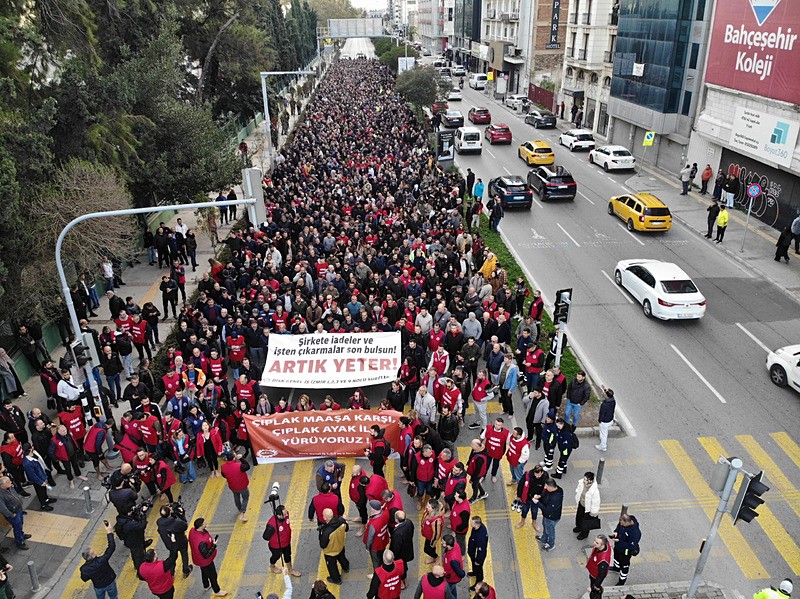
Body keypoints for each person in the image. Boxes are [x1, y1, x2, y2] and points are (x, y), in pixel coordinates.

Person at [188, 518, 228, 596]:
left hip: (198, 558)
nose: (206, 523)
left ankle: (206, 585)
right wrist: (214, 545)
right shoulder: (202, 542)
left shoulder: (192, 531)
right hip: (205, 561)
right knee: (213, 575)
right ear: (200, 526)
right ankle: (217, 591)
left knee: (204, 571)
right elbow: (206, 555)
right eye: (204, 523)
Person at [80, 521, 119, 599]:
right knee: (114, 596)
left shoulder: (84, 569)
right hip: (110, 582)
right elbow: (111, 547)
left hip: (98, 586)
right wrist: (109, 531)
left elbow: (84, 579)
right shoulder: (102, 560)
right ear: (93, 555)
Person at [262, 505, 302, 577]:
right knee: (276, 556)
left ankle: (290, 570)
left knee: (288, 555)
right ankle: (272, 565)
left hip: (286, 543)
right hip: (276, 546)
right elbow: (265, 537)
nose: (287, 514)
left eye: (286, 513)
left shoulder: (286, 516)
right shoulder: (272, 525)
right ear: (279, 516)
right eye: (284, 514)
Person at [156, 505, 192, 579]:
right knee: (184, 554)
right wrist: (182, 515)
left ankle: (171, 573)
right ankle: (185, 570)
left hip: (170, 544)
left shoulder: (159, 522)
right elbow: (185, 526)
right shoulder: (176, 522)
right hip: (181, 541)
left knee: (173, 557)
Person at [318, 507, 349, 585]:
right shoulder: (341, 521)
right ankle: (346, 567)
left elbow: (322, 545)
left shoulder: (326, 532)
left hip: (331, 552)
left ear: (325, 518)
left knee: (332, 566)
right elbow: (347, 528)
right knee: (342, 557)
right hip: (340, 545)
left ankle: (336, 579)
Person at [21, 443, 55, 511]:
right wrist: (41, 482)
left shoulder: (33, 454)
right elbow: (32, 475)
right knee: (40, 492)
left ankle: (46, 499)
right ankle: (43, 504)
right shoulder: (27, 463)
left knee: (44, 490)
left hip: (42, 476)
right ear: (30, 449)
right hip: (38, 480)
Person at [610, 513, 641, 586]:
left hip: (626, 551)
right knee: (616, 558)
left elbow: (631, 545)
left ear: (628, 523)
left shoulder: (635, 533)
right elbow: (618, 528)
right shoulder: (622, 523)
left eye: (622, 524)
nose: (621, 525)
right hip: (618, 547)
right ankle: (616, 568)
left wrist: (619, 542)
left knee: (624, 566)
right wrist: (616, 533)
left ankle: (621, 581)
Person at [221, 448, 251, 522]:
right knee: (245, 497)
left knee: (236, 497)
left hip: (232, 486)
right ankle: (242, 512)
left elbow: (224, 475)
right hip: (242, 486)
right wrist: (241, 458)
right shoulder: (239, 466)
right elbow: (247, 466)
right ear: (234, 458)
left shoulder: (223, 467)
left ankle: (239, 508)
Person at [0, 477, 30, 549]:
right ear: (3, 485)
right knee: (17, 527)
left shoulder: (8, 488)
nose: (11, 482)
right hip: (13, 514)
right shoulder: (1, 495)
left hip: (18, 510)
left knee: (20, 524)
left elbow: (14, 495)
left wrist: (12, 488)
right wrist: (11, 514)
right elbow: (2, 508)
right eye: (8, 482)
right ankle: (20, 541)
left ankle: (21, 535)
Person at [534, 477, 562, 551]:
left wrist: (538, 503)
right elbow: (545, 493)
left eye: (546, 486)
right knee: (545, 526)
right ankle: (544, 539)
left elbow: (547, 510)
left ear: (550, 487)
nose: (545, 488)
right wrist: (540, 496)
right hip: (547, 516)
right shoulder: (557, 489)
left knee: (550, 531)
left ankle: (551, 545)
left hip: (551, 517)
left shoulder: (555, 498)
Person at [515, 464, 546, 532]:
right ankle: (522, 521)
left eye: (539, 475)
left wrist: (540, 496)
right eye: (535, 474)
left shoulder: (545, 477)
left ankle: (534, 522)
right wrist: (519, 496)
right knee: (525, 510)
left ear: (542, 473)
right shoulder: (527, 475)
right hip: (527, 498)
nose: (537, 476)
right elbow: (521, 485)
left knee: (534, 511)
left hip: (537, 499)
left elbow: (546, 488)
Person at [390, 511, 415, 589]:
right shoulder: (409, 522)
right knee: (404, 565)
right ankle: (405, 580)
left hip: (400, 554)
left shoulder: (397, 533)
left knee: (400, 567)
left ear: (396, 520)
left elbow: (396, 547)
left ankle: (402, 583)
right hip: (407, 548)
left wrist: (393, 555)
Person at [574, 472, 601, 540]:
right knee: (579, 517)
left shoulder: (594, 491)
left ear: (590, 481)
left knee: (586, 522)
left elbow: (595, 502)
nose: (584, 481)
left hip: (588, 509)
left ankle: (584, 534)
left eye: (585, 480)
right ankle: (578, 527)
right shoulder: (582, 483)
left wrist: (593, 513)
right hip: (581, 504)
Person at [586, 534, 613, 599]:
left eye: (597, 543)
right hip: (593, 571)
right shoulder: (605, 545)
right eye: (595, 541)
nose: (594, 543)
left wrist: (596, 586)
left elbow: (602, 574)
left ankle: (595, 593)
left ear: (602, 545)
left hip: (595, 576)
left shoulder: (603, 561)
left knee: (594, 592)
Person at [467, 516, 488, 591]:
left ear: (476, 524)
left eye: (472, 522)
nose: (470, 523)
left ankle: (479, 581)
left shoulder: (481, 535)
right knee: (474, 564)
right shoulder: (476, 528)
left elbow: (481, 550)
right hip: (473, 552)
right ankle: (474, 572)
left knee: (479, 568)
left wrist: (478, 561)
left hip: (479, 556)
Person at [441, 534, 465, 599]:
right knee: (453, 590)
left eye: (443, 543)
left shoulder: (453, 560)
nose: (441, 543)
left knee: (448, 594)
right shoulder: (455, 545)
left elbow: (461, 573)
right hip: (451, 577)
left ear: (448, 545)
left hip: (452, 579)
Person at [466, 439, 488, 503]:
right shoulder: (475, 450)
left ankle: (474, 497)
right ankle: (483, 493)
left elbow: (477, 471)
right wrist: (468, 462)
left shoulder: (480, 458)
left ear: (477, 446)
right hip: (475, 471)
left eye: (472, 444)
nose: (471, 446)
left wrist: (472, 479)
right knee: (477, 483)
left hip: (477, 474)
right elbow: (471, 456)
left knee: (474, 485)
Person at [596, 388, 617, 452]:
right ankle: (602, 441)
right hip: (610, 419)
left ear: (607, 396)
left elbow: (601, 414)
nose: (603, 394)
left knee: (604, 434)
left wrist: (600, 421)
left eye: (605, 394)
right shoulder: (613, 401)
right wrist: (606, 390)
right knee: (604, 433)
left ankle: (603, 446)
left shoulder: (604, 405)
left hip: (604, 422)